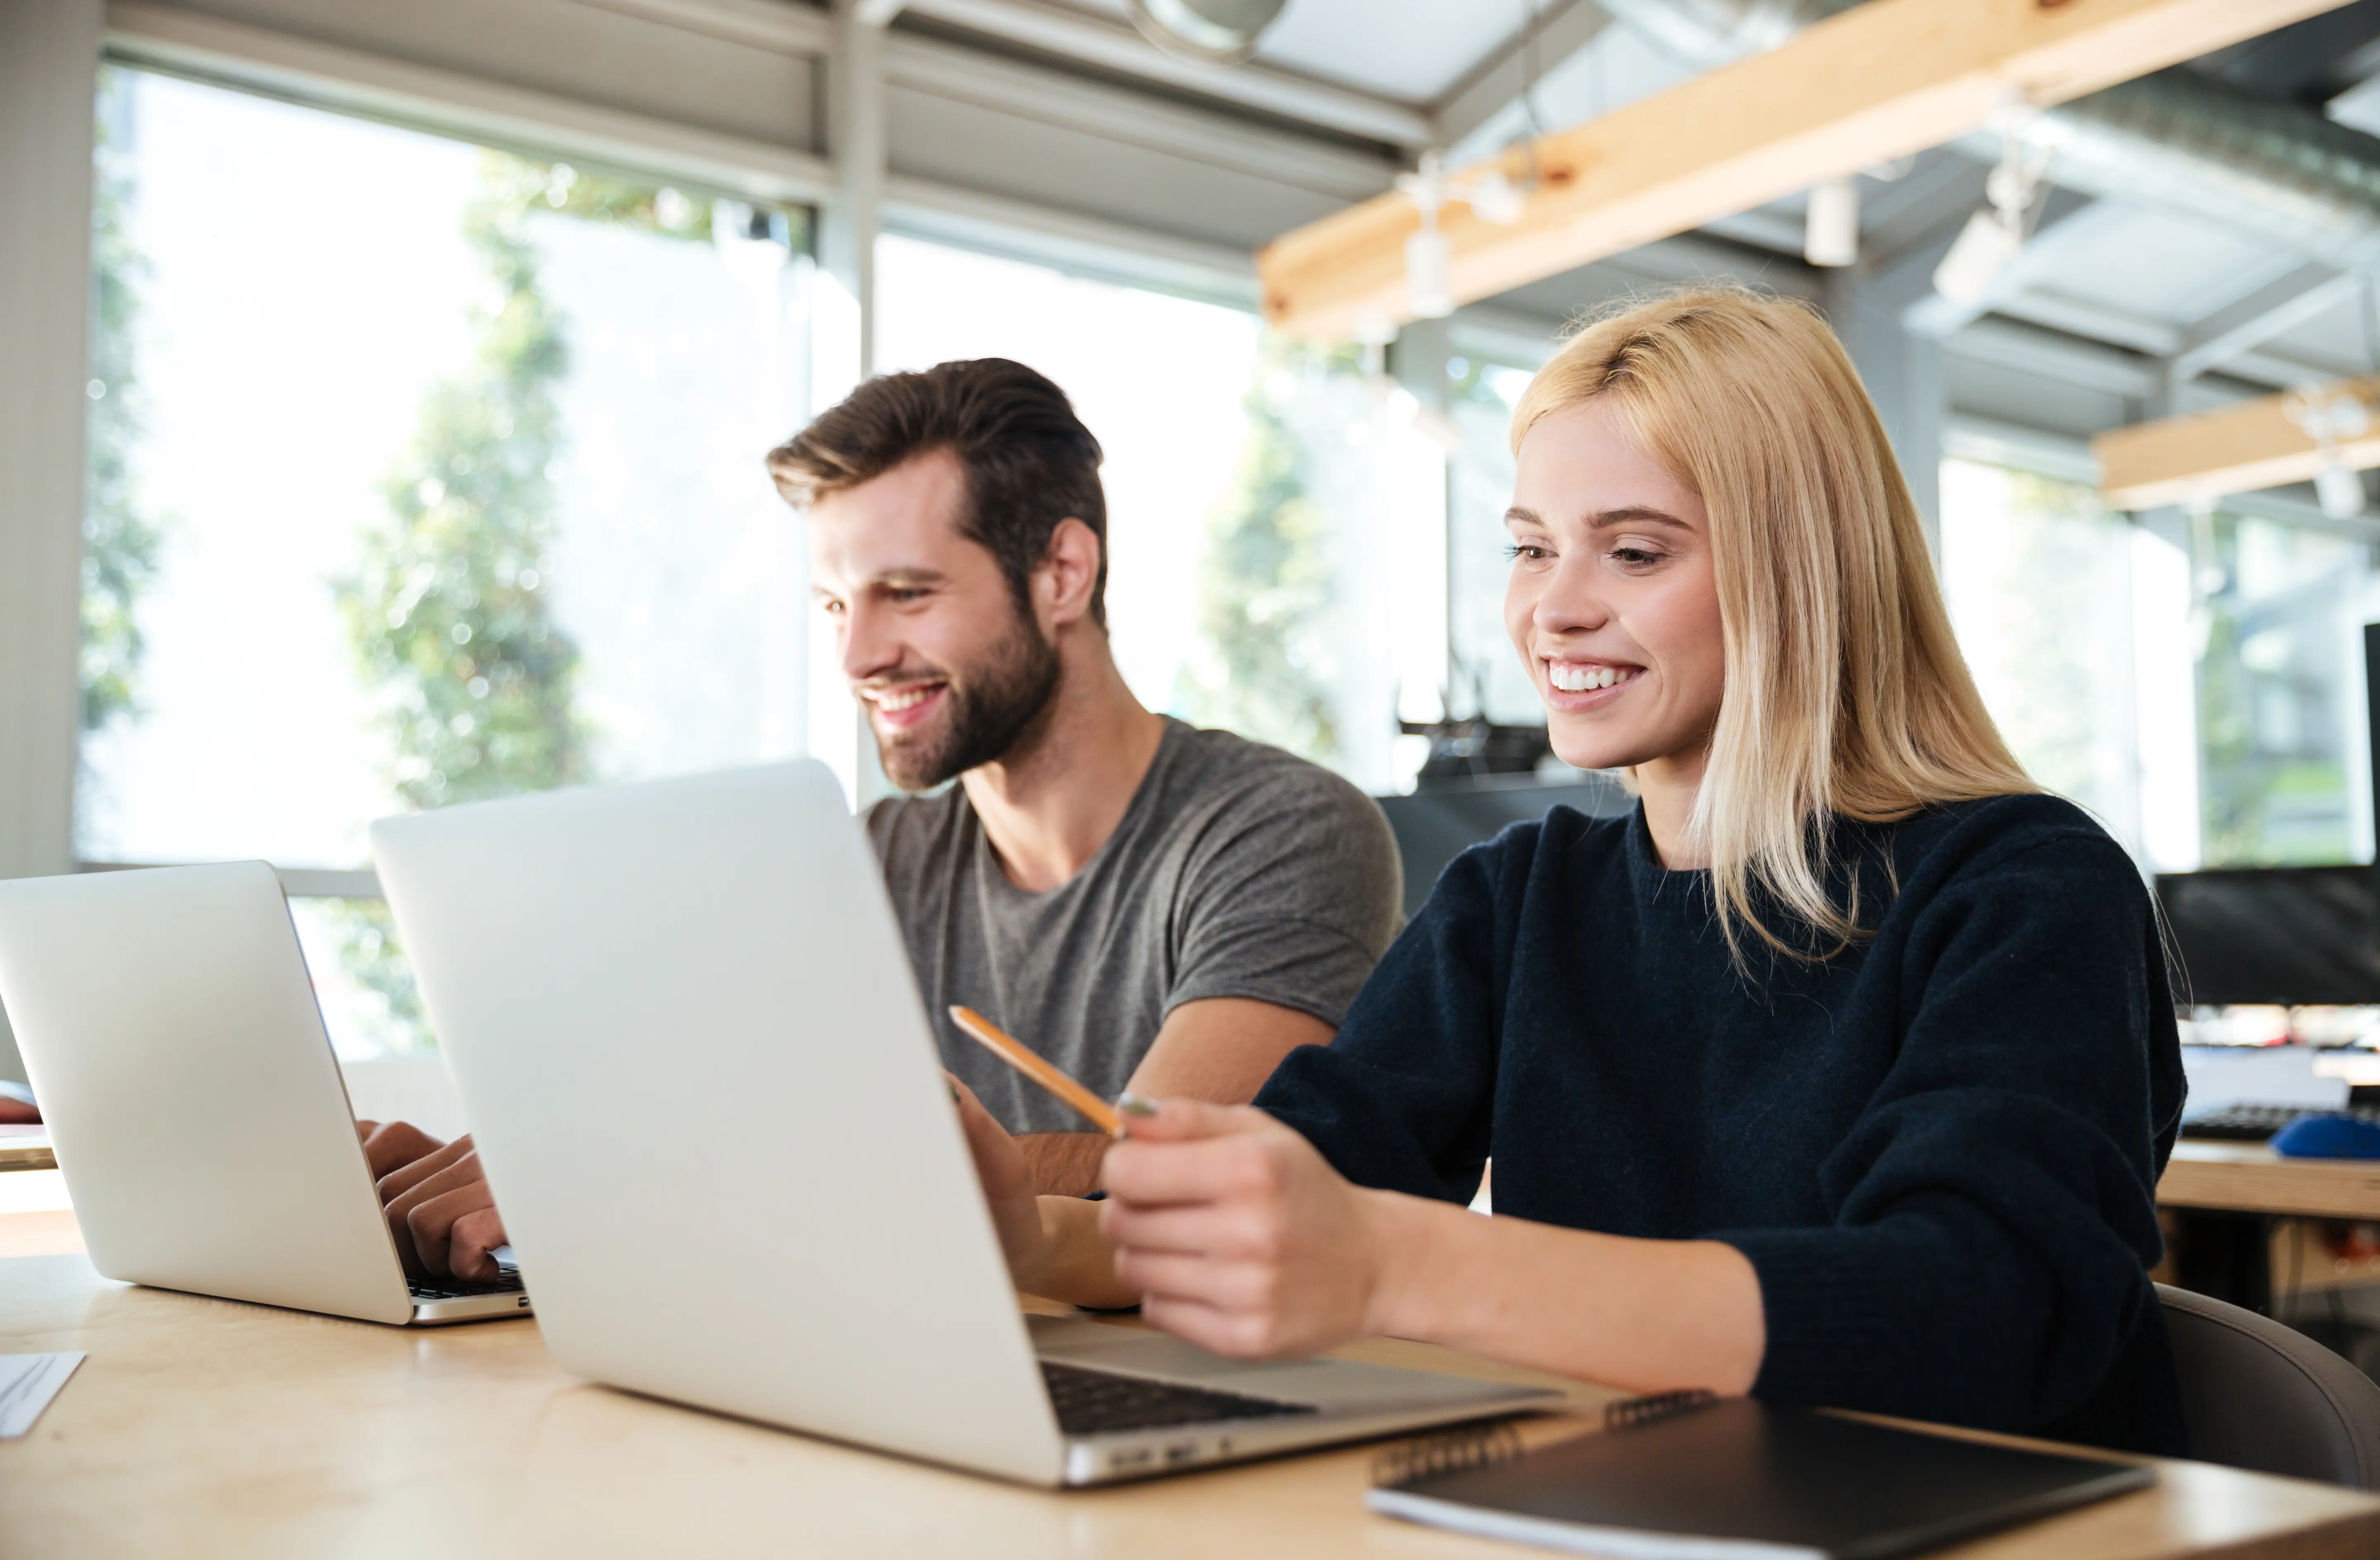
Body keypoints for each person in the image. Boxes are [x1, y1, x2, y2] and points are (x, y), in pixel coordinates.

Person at [952, 287, 2189, 1455]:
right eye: (1531, 549)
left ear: (1802, 573)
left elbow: (1972, 1310)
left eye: (1635, 554)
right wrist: (1035, 1236)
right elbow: (1297, 1193)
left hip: (1970, 1533)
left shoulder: (2026, 886)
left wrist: (1402, 1265)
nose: (1553, 610)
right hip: (1637, 1509)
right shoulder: (1524, 895)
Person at [365, 357, 1404, 1281]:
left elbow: (1152, 1170)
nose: (858, 656)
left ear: (1061, 574)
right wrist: (546, 1159)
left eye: (905, 594)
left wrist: (729, 1169)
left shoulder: (1287, 831)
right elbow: (710, 1113)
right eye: (834, 605)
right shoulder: (869, 860)